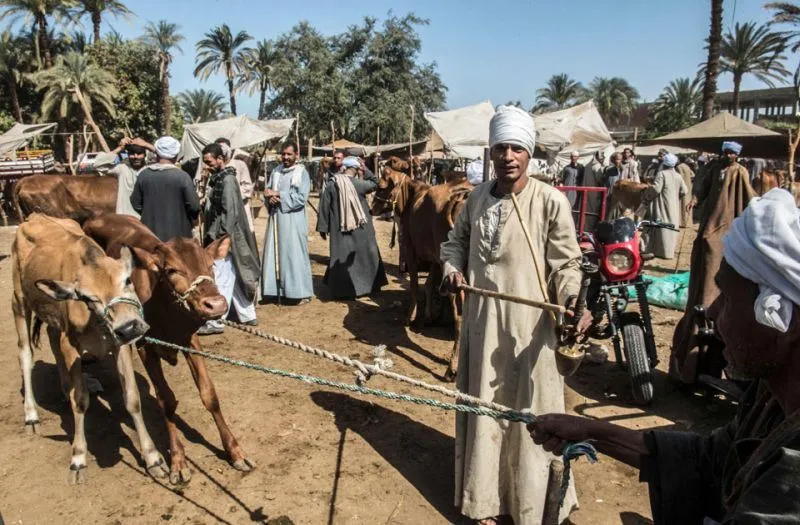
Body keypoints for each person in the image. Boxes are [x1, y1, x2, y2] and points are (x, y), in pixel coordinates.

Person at [529, 188, 800, 524]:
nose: (712, 314)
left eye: (727, 299)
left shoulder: (792, 475)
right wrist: (591, 432)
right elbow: (711, 457)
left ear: (784, 321)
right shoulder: (769, 399)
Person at [440, 105, 591, 525]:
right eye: (500, 148)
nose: (508, 155)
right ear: (490, 153)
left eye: (516, 148)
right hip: (482, 327)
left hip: (531, 332)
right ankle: (485, 503)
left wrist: (572, 301)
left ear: (529, 154)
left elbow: (567, 265)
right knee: (484, 409)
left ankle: (534, 505)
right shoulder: (476, 198)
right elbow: (454, 244)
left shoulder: (550, 201)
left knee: (532, 415)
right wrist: (452, 269)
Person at [671, 141, 755, 383]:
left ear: (738, 155)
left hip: (725, 225)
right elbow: (703, 188)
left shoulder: (740, 172)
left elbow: (748, 197)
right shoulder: (715, 167)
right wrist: (695, 199)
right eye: (727, 151)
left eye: (733, 153)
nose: (730, 155)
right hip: (709, 223)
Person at [196, 143, 261, 335]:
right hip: (220, 234)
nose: (206, 166)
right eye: (205, 163)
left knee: (223, 276)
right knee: (232, 274)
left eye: (209, 162)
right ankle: (247, 314)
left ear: (220, 159)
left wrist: (223, 239)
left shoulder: (228, 180)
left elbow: (230, 212)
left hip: (225, 237)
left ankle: (216, 321)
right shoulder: (217, 178)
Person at [316, 156, 388, 299]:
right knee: (366, 255)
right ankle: (369, 286)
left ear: (343, 168)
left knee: (340, 257)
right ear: (356, 170)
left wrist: (323, 228)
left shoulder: (332, 184)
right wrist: (366, 169)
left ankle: (343, 291)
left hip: (340, 229)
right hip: (362, 227)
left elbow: (324, 206)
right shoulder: (360, 184)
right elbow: (376, 183)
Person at [260, 142, 314, 304]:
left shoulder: (301, 173)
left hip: (293, 220)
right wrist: (270, 197)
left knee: (293, 253)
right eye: (283, 154)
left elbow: (301, 198)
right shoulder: (276, 171)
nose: (285, 157)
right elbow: (268, 191)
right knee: (274, 252)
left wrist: (279, 195)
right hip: (276, 218)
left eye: (289, 154)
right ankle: (275, 289)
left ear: (296, 155)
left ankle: (299, 292)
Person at [130, 136, 201, 241]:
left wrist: (151, 213)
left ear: (157, 153)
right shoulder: (182, 177)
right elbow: (194, 207)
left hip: (150, 236)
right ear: (176, 155)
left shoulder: (143, 175)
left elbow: (136, 203)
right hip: (179, 238)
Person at [95, 137, 155, 218]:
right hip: (126, 220)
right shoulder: (123, 168)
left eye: (139, 153)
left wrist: (146, 144)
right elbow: (99, 165)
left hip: (147, 219)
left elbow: (169, 159)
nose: (135, 156)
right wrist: (120, 148)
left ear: (144, 155)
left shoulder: (152, 169)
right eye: (132, 154)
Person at [642, 153, 687, 259]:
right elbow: (684, 190)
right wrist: (676, 197)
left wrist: (646, 195)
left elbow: (656, 189)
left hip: (661, 204)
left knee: (660, 226)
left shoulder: (662, 174)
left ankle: (659, 251)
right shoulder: (678, 176)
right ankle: (668, 252)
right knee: (670, 227)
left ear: (664, 163)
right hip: (673, 206)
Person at [214, 137, 255, 232]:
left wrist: (229, 195)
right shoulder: (213, 167)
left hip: (239, 208)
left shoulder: (239, 164)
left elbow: (247, 188)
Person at [581, 150, 606, 231]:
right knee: (593, 212)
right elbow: (600, 179)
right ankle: (591, 230)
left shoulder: (588, 165)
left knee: (586, 210)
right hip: (594, 193)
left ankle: (585, 228)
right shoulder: (596, 166)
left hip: (587, 191)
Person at [675, 155, 695, 227]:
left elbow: (679, 177)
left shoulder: (679, 167)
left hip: (683, 188)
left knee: (682, 205)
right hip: (689, 187)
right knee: (688, 204)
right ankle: (688, 222)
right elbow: (693, 175)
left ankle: (682, 223)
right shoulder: (687, 166)